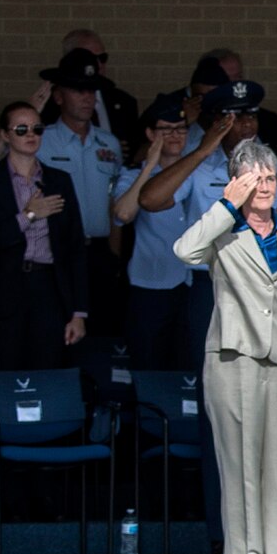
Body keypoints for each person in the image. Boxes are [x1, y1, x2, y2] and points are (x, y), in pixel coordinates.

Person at [139, 79, 277, 552]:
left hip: (272, 301)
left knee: (272, 416)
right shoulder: (200, 168)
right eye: (234, 118)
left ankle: (271, 539)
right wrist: (205, 146)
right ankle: (226, 537)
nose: (247, 125)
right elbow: (150, 200)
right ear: (216, 121)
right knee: (224, 416)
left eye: (252, 116)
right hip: (213, 297)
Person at [172, 140, 277, 554]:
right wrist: (225, 204)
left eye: (271, 177)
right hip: (232, 360)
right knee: (239, 472)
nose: (264, 186)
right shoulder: (222, 230)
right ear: (236, 182)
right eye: (254, 177)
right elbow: (184, 249)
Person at [0, 48, 127, 334]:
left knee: (101, 334)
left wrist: (114, 253)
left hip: (98, 252)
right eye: (78, 90)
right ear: (58, 96)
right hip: (54, 254)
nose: (87, 98)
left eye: (92, 91)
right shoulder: (42, 136)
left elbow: (114, 200)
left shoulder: (110, 144)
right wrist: (27, 116)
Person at [0, 102, 88, 369]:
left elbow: (75, 248)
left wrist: (78, 312)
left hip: (49, 287)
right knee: (6, 367)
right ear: (5, 136)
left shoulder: (59, 180)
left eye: (37, 128)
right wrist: (28, 216)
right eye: (21, 129)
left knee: (49, 367)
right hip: (4, 289)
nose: (31, 134)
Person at [111, 95, 195, 369]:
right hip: (151, 287)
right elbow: (123, 214)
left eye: (181, 128)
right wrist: (148, 167)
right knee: (149, 365)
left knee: (189, 366)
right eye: (166, 129)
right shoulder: (132, 174)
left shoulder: (200, 171)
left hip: (194, 284)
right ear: (150, 134)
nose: (175, 135)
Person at [52, 28, 140, 148]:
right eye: (89, 58)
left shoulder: (126, 102)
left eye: (102, 58)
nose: (97, 65)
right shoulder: (50, 105)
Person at [201, 49, 277, 160]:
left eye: (238, 76)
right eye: (226, 78)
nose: (235, 83)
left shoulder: (269, 120)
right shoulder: (203, 120)